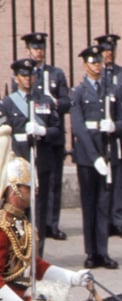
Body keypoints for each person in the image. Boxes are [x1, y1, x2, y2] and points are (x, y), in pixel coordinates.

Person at [0, 154, 91, 301]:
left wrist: (74, 278)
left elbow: (36, 267)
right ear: (13, 189)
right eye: (27, 188)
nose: (34, 192)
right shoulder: (1, 228)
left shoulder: (23, 224)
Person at [0, 58, 62, 257]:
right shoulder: (8, 103)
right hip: (18, 167)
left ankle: (37, 259)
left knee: (39, 214)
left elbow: (57, 130)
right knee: (16, 214)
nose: (28, 79)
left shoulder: (44, 100)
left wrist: (43, 131)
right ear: (16, 78)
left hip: (40, 163)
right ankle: (16, 257)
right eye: (24, 76)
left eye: (31, 75)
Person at [70, 44, 120, 269]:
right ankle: (91, 252)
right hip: (87, 157)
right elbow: (78, 127)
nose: (96, 66)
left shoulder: (110, 90)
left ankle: (103, 251)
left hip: (107, 153)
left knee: (104, 204)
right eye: (92, 62)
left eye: (99, 62)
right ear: (84, 65)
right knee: (89, 204)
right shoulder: (79, 92)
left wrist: (114, 126)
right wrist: (94, 157)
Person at [22, 31, 70, 243]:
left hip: (53, 135)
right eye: (35, 48)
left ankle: (52, 223)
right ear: (28, 50)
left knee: (54, 182)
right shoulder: (23, 74)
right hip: (32, 140)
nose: (38, 52)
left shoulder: (56, 74)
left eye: (41, 48)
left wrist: (55, 103)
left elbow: (67, 102)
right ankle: (35, 222)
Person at [95, 34, 122, 241]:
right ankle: (103, 221)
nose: (108, 53)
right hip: (102, 138)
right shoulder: (96, 76)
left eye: (111, 49)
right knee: (104, 181)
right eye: (104, 49)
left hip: (121, 135)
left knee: (121, 180)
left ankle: (118, 221)